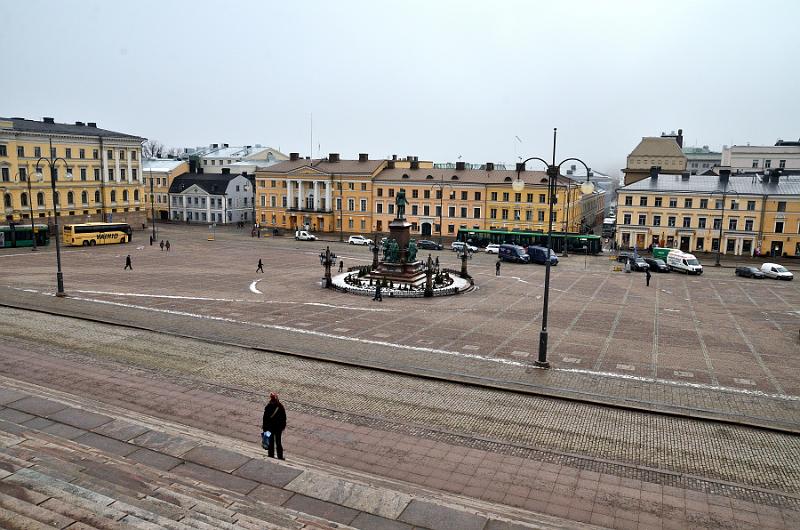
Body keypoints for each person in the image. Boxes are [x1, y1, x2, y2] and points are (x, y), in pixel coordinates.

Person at [262, 392, 286, 459]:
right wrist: (283, 426)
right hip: (278, 428)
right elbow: (284, 418)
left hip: (270, 427)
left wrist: (264, 428)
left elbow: (265, 418)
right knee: (278, 442)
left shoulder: (268, 406)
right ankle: (280, 456)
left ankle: (271, 454)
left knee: (271, 441)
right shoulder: (280, 406)